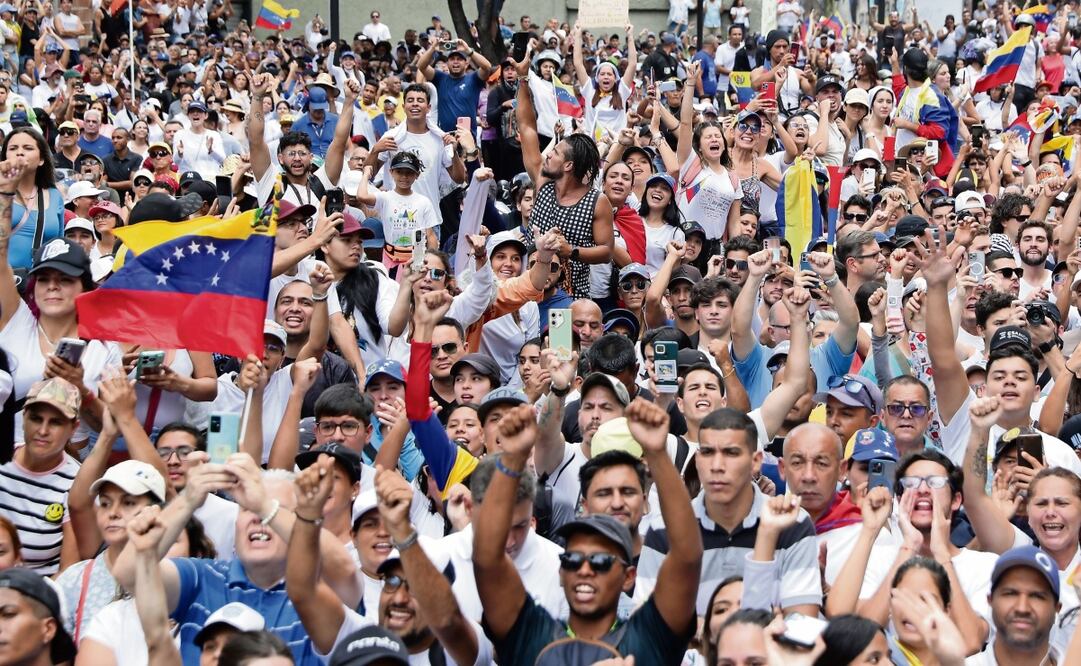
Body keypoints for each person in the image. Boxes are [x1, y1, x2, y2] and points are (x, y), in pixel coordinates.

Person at [474, 398, 702, 663]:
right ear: (561, 573)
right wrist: (512, 460)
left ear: (628, 577)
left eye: (601, 561)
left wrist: (658, 454)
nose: (584, 569)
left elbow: (687, 556)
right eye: (572, 560)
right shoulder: (533, 635)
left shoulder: (649, 636)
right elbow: (488, 558)